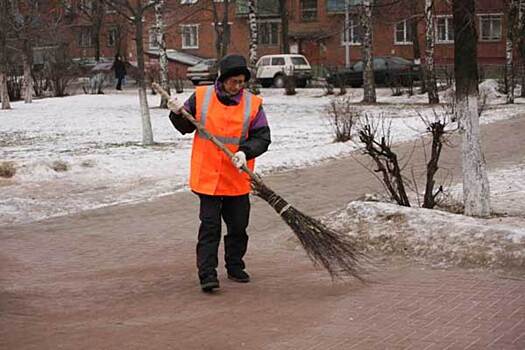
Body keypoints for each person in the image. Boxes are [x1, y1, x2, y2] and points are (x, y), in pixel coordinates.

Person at [168, 54, 271, 292]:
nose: (238, 86)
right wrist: (176, 113)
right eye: (234, 81)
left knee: (238, 227)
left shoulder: (252, 103)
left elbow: (263, 138)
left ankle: (235, 266)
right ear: (222, 80)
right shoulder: (202, 96)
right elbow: (186, 126)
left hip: (237, 177)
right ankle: (207, 275)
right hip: (209, 178)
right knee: (210, 227)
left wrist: (246, 152)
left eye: (241, 82)